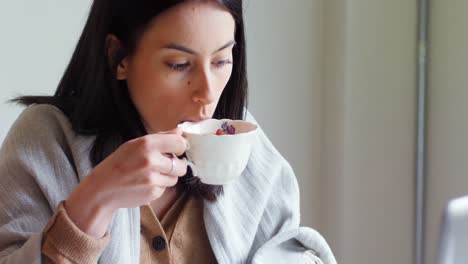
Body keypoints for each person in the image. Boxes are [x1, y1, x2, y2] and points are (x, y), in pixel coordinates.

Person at [0, 0, 336, 263]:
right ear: (119, 57)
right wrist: (97, 199)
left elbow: (287, 246)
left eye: (220, 61)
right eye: (179, 64)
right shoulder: (45, 141)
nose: (206, 92)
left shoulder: (243, 140)